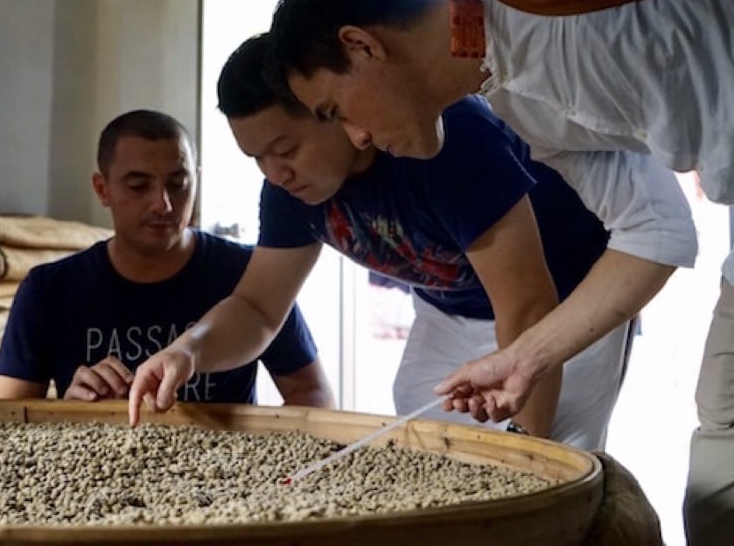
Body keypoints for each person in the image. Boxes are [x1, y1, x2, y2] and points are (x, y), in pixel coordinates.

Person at [268, 0, 734, 545]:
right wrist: (523, 357)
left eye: (336, 109)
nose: (356, 138)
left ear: (362, 46)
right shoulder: (519, 107)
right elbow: (654, 230)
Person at [128, 33, 622, 449]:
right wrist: (188, 352)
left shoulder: (445, 140)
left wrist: (524, 445)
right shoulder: (289, 187)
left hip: (562, 306)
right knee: (431, 454)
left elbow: (528, 306)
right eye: (256, 157)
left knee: (546, 463)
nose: (275, 173)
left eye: (284, 149)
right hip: (447, 307)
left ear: (336, 110)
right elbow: (257, 308)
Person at [0, 109, 334, 409]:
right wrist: (69, 413)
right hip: (93, 473)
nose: (163, 204)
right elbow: (3, 424)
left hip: (223, 476)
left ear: (196, 180)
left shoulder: (251, 275)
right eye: (138, 186)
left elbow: (312, 391)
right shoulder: (50, 290)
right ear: (102, 189)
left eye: (178, 183)